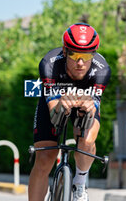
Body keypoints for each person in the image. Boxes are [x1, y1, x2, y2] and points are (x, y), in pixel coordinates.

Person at [28, 23, 111, 201]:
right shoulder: (49, 64)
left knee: (87, 141)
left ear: (94, 54)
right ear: (65, 51)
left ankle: (80, 184)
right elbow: (53, 115)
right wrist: (61, 103)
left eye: (86, 55)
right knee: (44, 158)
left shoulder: (102, 69)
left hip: (85, 101)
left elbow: (93, 111)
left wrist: (88, 106)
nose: (80, 63)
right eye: (74, 54)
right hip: (56, 101)